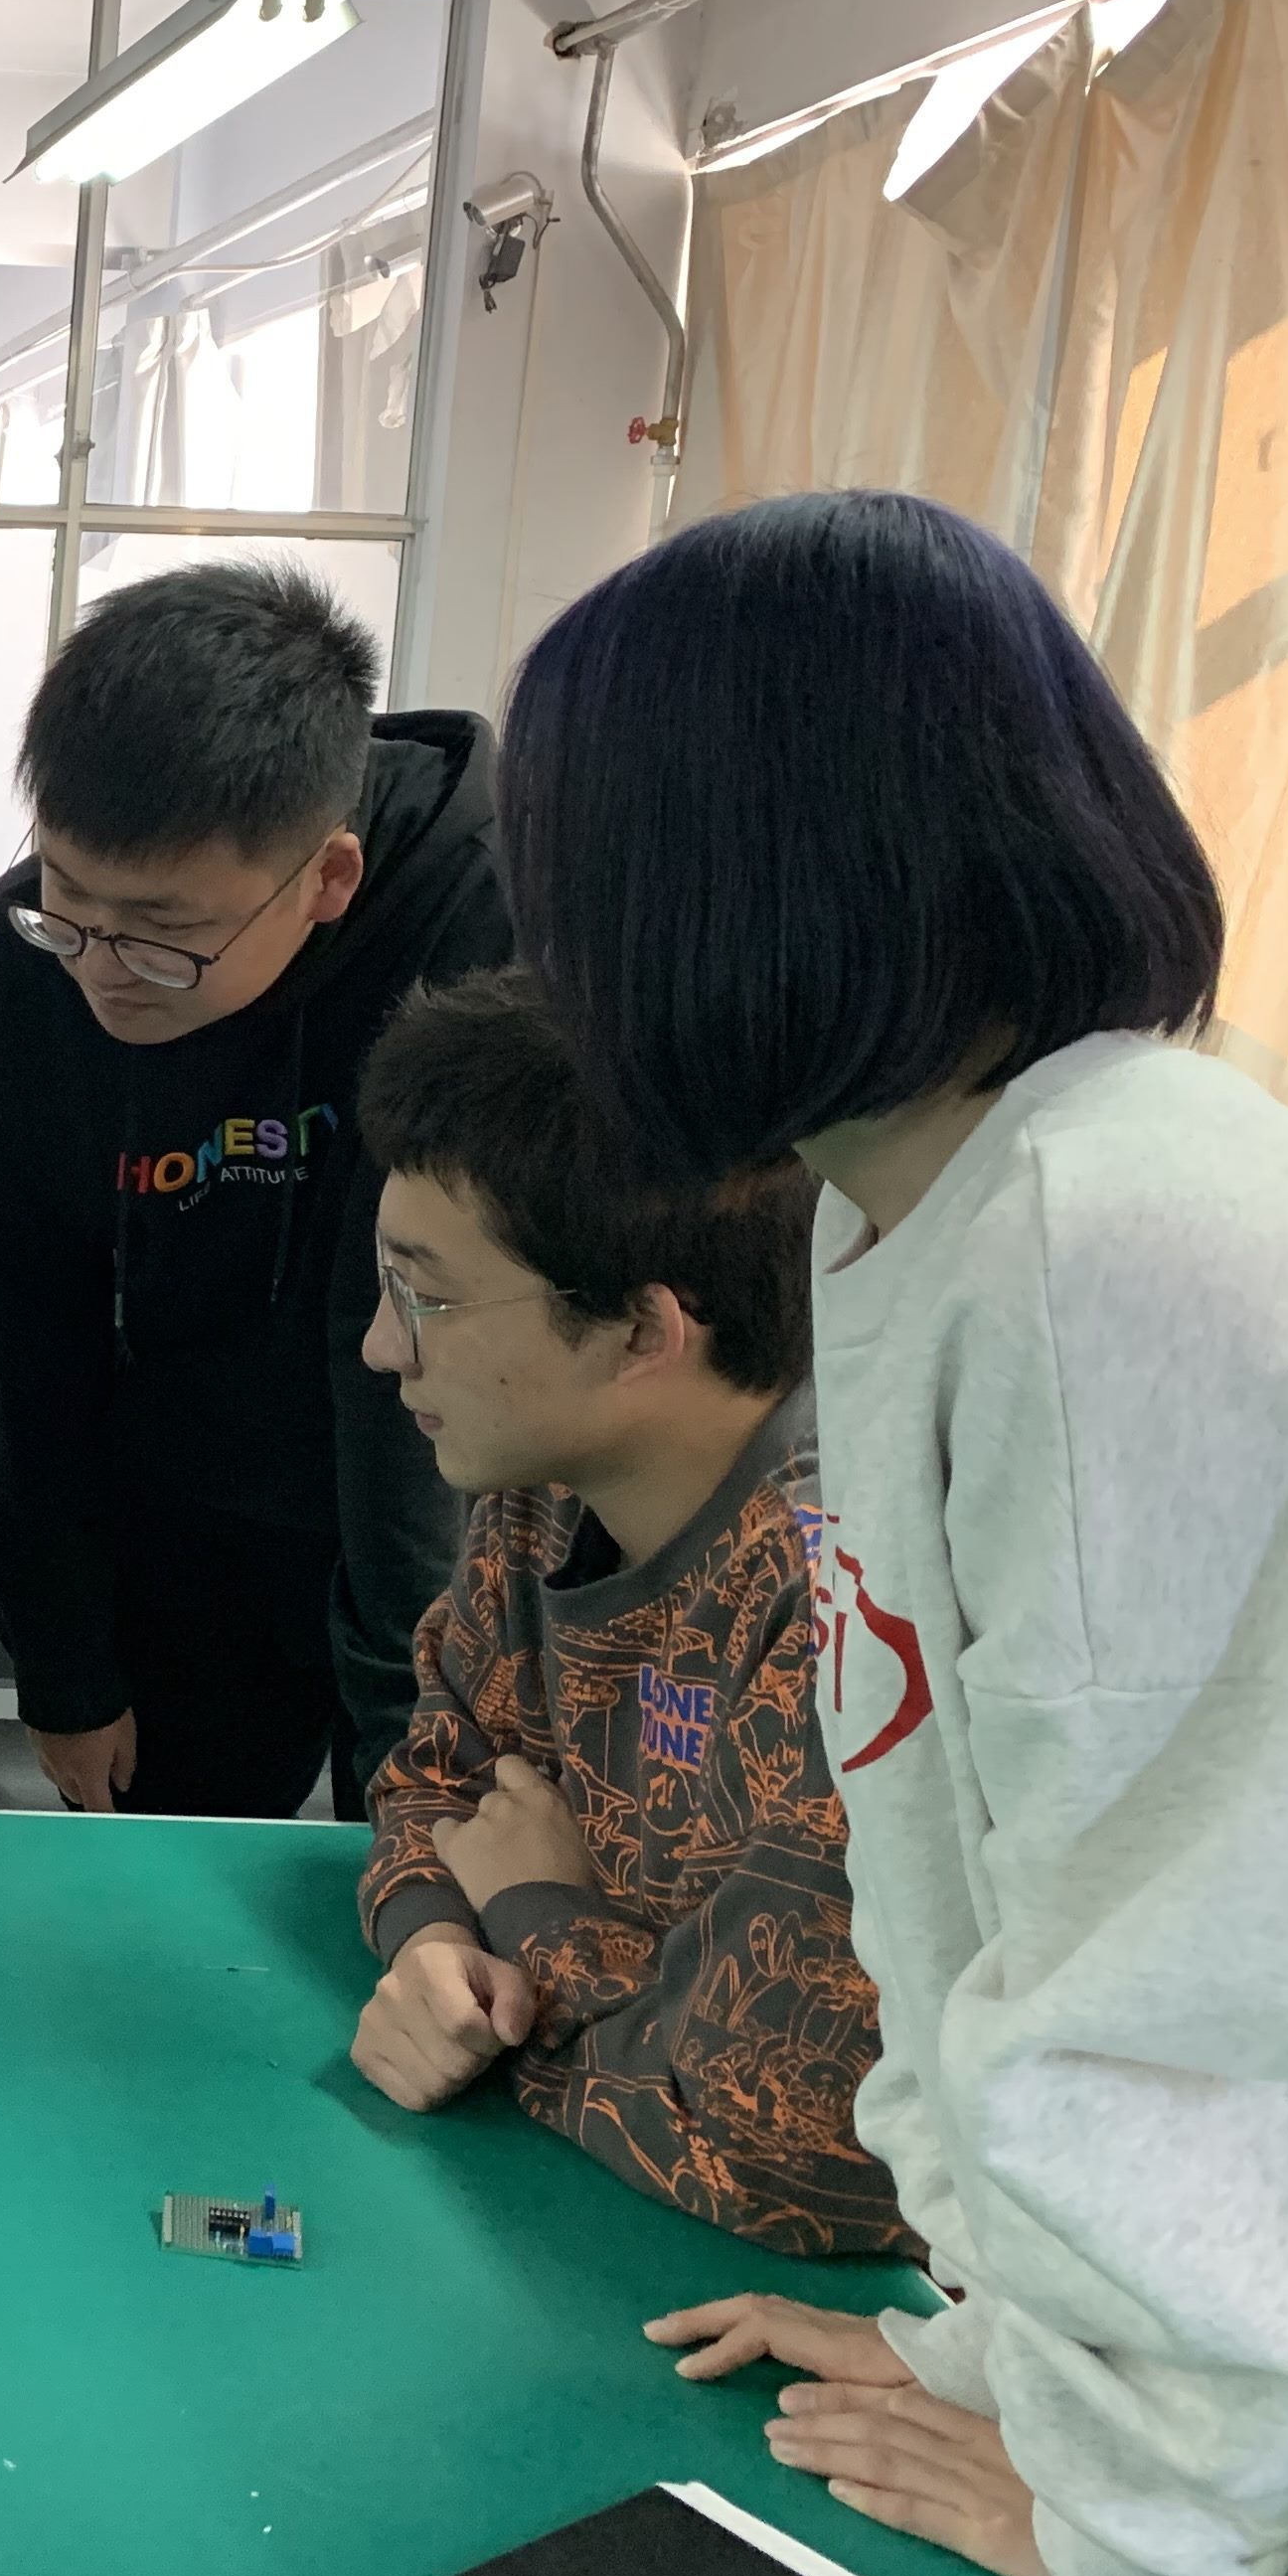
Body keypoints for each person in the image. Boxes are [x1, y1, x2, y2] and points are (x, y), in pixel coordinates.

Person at [501, 491, 1288, 2576]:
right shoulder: (924, 1201)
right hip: (1280, 2389)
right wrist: (1000, 2355)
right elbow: (979, 1863)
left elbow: (1214, 1961)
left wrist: (1123, 2490)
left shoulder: (1103, 1245)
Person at [0, 563, 505, 1822]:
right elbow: (27, 1333)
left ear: (329, 879)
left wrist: (420, 1720)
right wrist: (65, 1666)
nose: (101, 966)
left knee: (434, 1871)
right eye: (67, 896)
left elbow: (425, 1332)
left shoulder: (492, 927)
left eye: (163, 933)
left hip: (452, 1502)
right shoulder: (6, 980)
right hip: (180, 1524)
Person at [342, 969, 902, 2260]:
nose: (382, 1347)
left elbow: (800, 2159)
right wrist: (436, 1946)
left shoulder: (848, 1611)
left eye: (425, 1297)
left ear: (642, 1331)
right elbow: (438, 1778)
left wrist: (539, 1920)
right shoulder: (545, 1481)